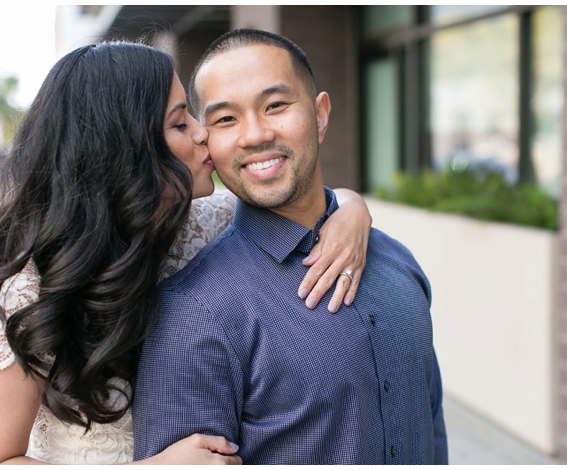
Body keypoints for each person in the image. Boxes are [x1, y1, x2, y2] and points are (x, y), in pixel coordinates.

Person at [0, 41, 375, 465]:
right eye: (181, 122)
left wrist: (353, 211)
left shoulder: (211, 221)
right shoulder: (36, 284)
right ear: (126, 147)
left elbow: (308, 197)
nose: (204, 132)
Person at [133, 29, 448, 465]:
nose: (256, 134)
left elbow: (430, 423)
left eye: (276, 106)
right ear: (207, 141)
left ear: (320, 114)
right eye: (226, 119)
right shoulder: (191, 313)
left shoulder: (398, 262)